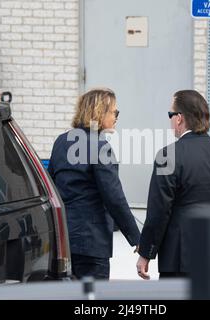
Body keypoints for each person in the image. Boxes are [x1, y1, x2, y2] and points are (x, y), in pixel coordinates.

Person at [136, 90, 210, 280]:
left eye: (170, 114)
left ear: (179, 119)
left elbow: (159, 210)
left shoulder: (168, 155)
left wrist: (146, 253)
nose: (170, 120)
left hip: (181, 257)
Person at [48, 88, 141, 280]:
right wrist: (137, 239)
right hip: (92, 242)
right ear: (100, 112)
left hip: (63, 238)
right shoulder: (100, 147)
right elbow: (114, 198)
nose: (116, 117)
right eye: (115, 111)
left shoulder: (61, 142)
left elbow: (51, 187)